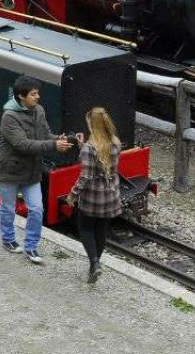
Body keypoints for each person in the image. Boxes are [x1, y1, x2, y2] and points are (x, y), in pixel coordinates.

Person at [0, 75, 73, 265]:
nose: (38, 97)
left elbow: (45, 134)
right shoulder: (9, 117)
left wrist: (60, 139)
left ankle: (30, 246)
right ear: (21, 96)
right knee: (7, 208)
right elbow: (23, 145)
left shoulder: (39, 111)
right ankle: (8, 239)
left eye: (38, 94)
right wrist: (53, 145)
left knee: (37, 209)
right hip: (9, 171)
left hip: (31, 171)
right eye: (34, 94)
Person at [65, 107, 124, 284]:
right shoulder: (116, 143)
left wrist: (73, 194)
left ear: (92, 125)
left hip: (92, 197)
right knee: (101, 229)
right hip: (110, 194)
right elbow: (103, 162)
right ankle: (95, 265)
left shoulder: (90, 149)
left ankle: (94, 263)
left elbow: (86, 176)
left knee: (85, 228)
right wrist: (82, 145)